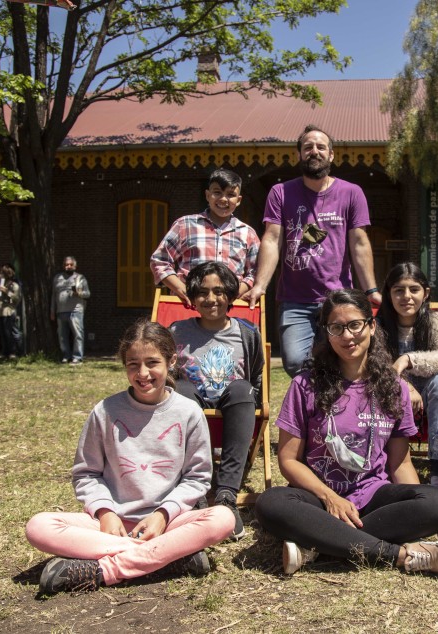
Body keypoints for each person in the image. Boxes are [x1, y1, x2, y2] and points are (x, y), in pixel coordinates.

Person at [255, 289, 438, 577]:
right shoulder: (306, 385)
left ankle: (318, 544)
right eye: (336, 328)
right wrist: (330, 498)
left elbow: (400, 464)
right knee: (271, 503)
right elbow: (289, 460)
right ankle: (399, 555)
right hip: (319, 499)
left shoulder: (394, 386)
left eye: (355, 325)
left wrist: (415, 504)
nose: (347, 335)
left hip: (374, 497)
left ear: (371, 326)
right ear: (326, 333)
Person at [24, 319, 235, 594]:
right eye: (133, 364)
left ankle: (107, 570)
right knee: (39, 526)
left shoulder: (188, 412)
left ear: (171, 361)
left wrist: (162, 514)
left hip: (168, 522)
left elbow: (197, 478)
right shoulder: (105, 411)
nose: (143, 373)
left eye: (152, 363)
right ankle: (165, 557)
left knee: (223, 518)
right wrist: (105, 512)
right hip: (110, 525)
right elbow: (86, 473)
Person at [247, 125, 382, 377]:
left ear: (331, 155)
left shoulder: (351, 193)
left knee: (342, 360)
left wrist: (371, 289)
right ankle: (314, 409)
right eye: (308, 147)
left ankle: (332, 411)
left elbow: (359, 243)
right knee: (296, 362)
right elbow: (272, 239)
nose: (314, 151)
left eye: (321, 147)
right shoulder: (280, 193)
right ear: (299, 154)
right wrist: (260, 285)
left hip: (338, 298)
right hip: (294, 298)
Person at [169, 262, 264, 541]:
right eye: (203, 292)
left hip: (232, 405)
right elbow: (168, 373)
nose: (211, 299)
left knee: (243, 389)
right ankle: (196, 490)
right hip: (192, 405)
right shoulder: (177, 331)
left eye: (219, 291)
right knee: (181, 392)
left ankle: (226, 495)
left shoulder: (247, 332)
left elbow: (256, 374)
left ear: (232, 295)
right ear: (192, 297)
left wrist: (250, 394)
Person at [377, 263, 438, 490]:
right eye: (398, 290)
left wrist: (408, 359)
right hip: (390, 392)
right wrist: (404, 385)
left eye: (414, 289)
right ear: (389, 293)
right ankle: (383, 469)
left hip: (432, 394)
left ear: (425, 293)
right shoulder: (377, 326)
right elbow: (374, 367)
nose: (406, 296)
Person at [150, 169, 260, 306]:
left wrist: (235, 293)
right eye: (217, 192)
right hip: (188, 306)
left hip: (230, 309)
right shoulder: (185, 225)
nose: (223, 199)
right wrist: (181, 289)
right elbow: (159, 261)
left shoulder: (248, 233)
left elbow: (256, 271)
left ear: (238, 200)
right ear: (208, 195)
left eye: (230, 194)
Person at [51, 256, 91, 364]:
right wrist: (52, 311)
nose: (68, 266)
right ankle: (66, 356)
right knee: (62, 336)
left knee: (78, 335)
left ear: (75, 266)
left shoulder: (80, 278)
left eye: (70, 264)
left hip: (76, 311)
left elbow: (88, 294)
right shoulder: (57, 278)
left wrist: (79, 293)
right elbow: (54, 296)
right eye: (66, 264)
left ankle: (77, 357)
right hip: (60, 311)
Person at [0, 263, 22, 359]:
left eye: (2, 273)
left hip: (8, 311)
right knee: (2, 333)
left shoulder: (13, 285)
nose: (0, 274)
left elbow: (17, 298)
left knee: (9, 333)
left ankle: (14, 352)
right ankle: (5, 352)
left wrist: (7, 291)